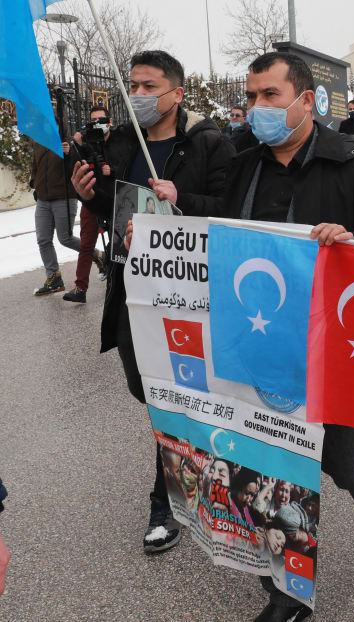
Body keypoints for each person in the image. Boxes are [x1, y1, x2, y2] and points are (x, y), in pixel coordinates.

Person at [220, 51, 354, 622]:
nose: (257, 108)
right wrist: (167, 208)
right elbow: (218, 225)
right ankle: (289, 588)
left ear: (306, 101)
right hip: (265, 350)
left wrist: (352, 241)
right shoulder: (243, 164)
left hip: (341, 350)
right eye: (252, 96)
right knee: (275, 467)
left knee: (351, 463)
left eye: (270, 96)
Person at [70, 49, 235, 555]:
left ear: (177, 93)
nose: (138, 95)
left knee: (174, 398)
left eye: (149, 86)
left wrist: (181, 198)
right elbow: (113, 203)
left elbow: (228, 212)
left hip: (189, 298)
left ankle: (168, 502)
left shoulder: (209, 144)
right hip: (130, 293)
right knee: (147, 390)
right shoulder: (122, 142)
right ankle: (194, 466)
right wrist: (87, 194)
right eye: (133, 86)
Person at [63, 106, 109, 303]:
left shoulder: (117, 141)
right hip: (91, 197)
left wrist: (111, 169)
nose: (97, 124)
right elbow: (73, 170)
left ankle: (120, 280)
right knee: (86, 242)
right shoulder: (83, 143)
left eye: (101, 120)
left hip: (114, 197)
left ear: (109, 122)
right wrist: (75, 148)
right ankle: (80, 287)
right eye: (92, 120)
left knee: (120, 241)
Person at [30, 127, 80, 296]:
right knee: (43, 240)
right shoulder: (38, 142)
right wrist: (34, 184)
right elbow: (35, 167)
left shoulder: (67, 143)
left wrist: (69, 154)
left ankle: (99, 256)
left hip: (64, 197)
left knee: (65, 238)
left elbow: (77, 165)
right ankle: (54, 278)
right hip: (43, 200)